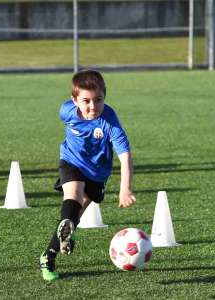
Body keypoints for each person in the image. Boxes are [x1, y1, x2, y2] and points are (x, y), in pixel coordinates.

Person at [39, 69, 136, 281]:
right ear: (74, 100)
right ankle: (62, 238)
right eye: (86, 101)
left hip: (98, 173)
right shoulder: (66, 111)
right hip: (71, 161)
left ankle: (48, 256)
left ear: (105, 97)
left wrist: (125, 188)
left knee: (73, 217)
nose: (93, 106)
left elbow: (125, 155)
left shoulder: (109, 120)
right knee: (73, 196)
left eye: (98, 100)